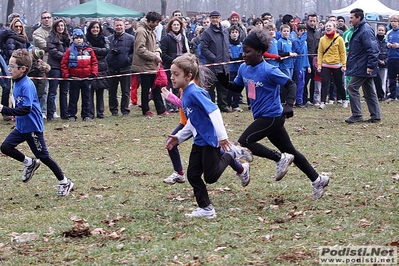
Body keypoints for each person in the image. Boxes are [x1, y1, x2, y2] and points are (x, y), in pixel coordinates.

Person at [217, 28, 329, 199]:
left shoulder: (269, 70)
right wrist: (226, 83)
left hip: (272, 116)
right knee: (291, 151)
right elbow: (238, 87)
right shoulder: (243, 68)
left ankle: (279, 158)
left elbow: (290, 84)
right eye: (243, 51)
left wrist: (289, 105)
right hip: (261, 116)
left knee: (246, 141)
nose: (244, 54)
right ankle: (318, 179)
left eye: (247, 51)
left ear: (260, 52)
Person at [165, 53, 253, 218]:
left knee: (211, 177)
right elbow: (194, 120)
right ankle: (206, 209)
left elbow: (215, 111)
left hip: (209, 142)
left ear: (188, 76)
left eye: (176, 74)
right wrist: (180, 137)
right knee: (192, 175)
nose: (172, 78)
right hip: (198, 142)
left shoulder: (194, 92)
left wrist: (222, 137)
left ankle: (231, 153)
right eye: (171, 74)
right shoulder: (185, 93)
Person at [0, 49, 73, 196]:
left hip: (32, 128)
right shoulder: (16, 81)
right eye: (9, 65)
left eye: (12, 66)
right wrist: (15, 113)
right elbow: (19, 104)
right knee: (6, 147)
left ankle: (65, 182)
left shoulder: (26, 85)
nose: (9, 69)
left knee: (44, 157)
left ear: (23, 69)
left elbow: (26, 109)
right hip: (21, 126)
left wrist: (5, 109)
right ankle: (29, 162)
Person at [345, 8, 381, 123]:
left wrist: (370, 65)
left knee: (352, 87)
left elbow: (373, 49)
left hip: (363, 66)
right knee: (369, 90)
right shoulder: (358, 29)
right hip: (361, 65)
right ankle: (375, 115)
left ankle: (357, 115)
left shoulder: (365, 30)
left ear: (358, 18)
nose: (350, 20)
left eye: (352, 18)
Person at [132, 11, 168, 117]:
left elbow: (156, 44)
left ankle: (161, 109)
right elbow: (140, 49)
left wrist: (158, 52)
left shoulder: (151, 30)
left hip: (152, 65)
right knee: (146, 88)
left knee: (156, 87)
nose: (157, 24)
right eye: (156, 22)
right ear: (150, 21)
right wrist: (154, 56)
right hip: (144, 65)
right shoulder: (141, 31)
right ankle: (145, 110)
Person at [61, 29, 98, 122]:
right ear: (73, 39)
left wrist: (94, 73)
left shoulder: (89, 50)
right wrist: (66, 75)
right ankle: (72, 115)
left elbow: (94, 62)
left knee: (86, 98)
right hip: (74, 78)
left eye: (80, 38)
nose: (78, 40)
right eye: (76, 38)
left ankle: (86, 115)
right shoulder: (69, 51)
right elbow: (64, 64)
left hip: (86, 78)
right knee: (73, 98)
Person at [200, 10, 231, 113]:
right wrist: (214, 58)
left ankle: (223, 105)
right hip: (212, 65)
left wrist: (228, 56)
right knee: (211, 87)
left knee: (223, 86)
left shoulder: (225, 31)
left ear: (220, 18)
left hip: (224, 65)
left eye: (216, 17)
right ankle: (211, 106)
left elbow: (227, 45)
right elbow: (204, 49)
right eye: (212, 17)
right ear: (210, 19)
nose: (214, 19)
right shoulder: (207, 33)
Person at [106, 18, 134, 117]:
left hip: (125, 68)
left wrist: (128, 59)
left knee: (125, 91)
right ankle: (114, 110)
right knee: (112, 91)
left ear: (124, 26)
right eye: (117, 25)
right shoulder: (108, 39)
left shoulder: (131, 38)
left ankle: (125, 110)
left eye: (120, 25)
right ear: (114, 26)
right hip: (112, 68)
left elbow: (134, 52)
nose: (119, 27)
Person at [160, 16, 188, 113]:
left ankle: (176, 104)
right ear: (170, 26)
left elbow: (184, 50)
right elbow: (163, 53)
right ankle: (169, 106)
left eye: (178, 25)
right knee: (169, 85)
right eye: (174, 25)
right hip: (169, 65)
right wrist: (173, 60)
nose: (176, 26)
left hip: (180, 65)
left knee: (177, 85)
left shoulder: (182, 38)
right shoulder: (166, 38)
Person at [317, 21, 347, 110]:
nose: (328, 28)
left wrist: (344, 65)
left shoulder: (339, 39)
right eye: (326, 26)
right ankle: (323, 102)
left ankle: (344, 99)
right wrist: (319, 65)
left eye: (330, 26)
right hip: (325, 64)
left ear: (334, 28)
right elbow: (320, 52)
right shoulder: (322, 39)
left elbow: (342, 52)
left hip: (337, 64)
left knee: (338, 83)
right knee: (325, 83)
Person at [46, 19, 71, 121]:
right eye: (58, 26)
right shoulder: (50, 38)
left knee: (64, 92)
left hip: (65, 67)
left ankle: (65, 114)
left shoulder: (67, 38)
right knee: (52, 92)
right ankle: (50, 115)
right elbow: (54, 52)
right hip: (55, 67)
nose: (60, 28)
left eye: (62, 26)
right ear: (55, 27)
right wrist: (67, 56)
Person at [86, 21, 110, 119]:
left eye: (97, 27)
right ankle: (90, 113)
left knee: (100, 91)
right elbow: (86, 50)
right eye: (93, 27)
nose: (95, 29)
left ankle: (100, 113)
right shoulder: (86, 39)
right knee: (90, 92)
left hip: (102, 67)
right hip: (90, 66)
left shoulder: (105, 39)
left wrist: (92, 49)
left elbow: (106, 51)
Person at [32, 11, 53, 119]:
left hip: (55, 62)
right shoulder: (37, 32)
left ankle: (52, 110)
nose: (46, 19)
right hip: (42, 64)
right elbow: (45, 45)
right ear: (41, 20)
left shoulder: (56, 29)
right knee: (42, 89)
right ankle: (41, 111)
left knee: (54, 90)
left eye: (48, 17)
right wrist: (56, 45)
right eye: (44, 18)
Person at [293, 23, 311, 107]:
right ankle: (298, 101)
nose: (303, 33)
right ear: (298, 32)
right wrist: (302, 39)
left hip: (304, 65)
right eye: (301, 31)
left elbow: (305, 54)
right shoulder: (296, 41)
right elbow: (299, 51)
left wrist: (308, 66)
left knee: (303, 83)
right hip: (298, 65)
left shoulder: (306, 42)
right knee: (300, 83)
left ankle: (301, 100)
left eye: (304, 31)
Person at [304, 13, 321, 105]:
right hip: (306, 59)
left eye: (314, 21)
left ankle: (313, 98)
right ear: (307, 21)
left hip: (316, 59)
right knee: (305, 80)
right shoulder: (305, 32)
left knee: (315, 80)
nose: (312, 23)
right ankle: (304, 98)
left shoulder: (318, 32)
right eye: (310, 21)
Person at [227, 25, 243, 112]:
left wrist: (238, 59)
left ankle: (235, 104)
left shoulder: (241, 45)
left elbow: (241, 56)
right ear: (229, 34)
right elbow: (229, 57)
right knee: (230, 87)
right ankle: (228, 103)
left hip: (239, 69)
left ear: (239, 34)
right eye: (232, 32)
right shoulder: (228, 45)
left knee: (238, 87)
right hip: (230, 69)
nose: (234, 34)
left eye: (236, 32)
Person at [386, 14, 399, 102]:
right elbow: (386, 42)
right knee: (391, 78)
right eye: (392, 21)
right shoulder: (389, 33)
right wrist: (389, 45)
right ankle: (392, 95)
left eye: (395, 21)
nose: (393, 23)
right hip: (391, 58)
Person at [374, 24, 388, 100]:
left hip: (385, 64)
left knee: (383, 80)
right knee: (376, 80)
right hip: (376, 63)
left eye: (382, 30)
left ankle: (383, 95)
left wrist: (385, 61)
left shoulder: (387, 41)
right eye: (379, 30)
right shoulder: (374, 40)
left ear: (385, 32)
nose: (381, 32)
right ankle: (377, 94)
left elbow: (389, 52)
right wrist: (378, 61)